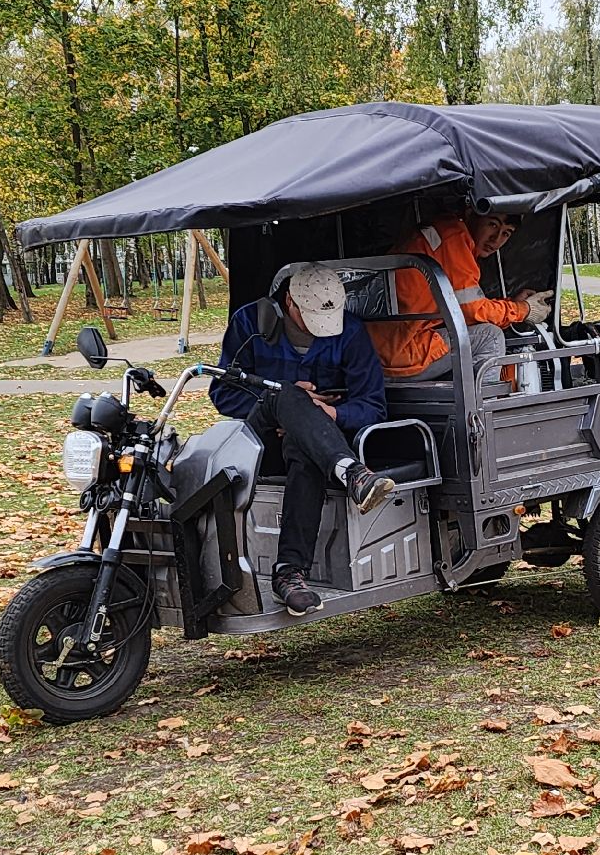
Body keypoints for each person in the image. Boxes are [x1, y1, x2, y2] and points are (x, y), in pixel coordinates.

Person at [209, 263, 393, 616]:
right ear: (290, 302)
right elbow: (223, 394)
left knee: (302, 443)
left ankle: (289, 574)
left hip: (316, 446)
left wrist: (330, 415)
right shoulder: (250, 323)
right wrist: (282, 404)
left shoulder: (351, 332)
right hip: (260, 442)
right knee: (284, 394)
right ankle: (352, 472)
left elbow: (373, 406)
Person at [371, 210, 553, 381]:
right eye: (493, 225)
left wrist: (513, 304)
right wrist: (523, 310)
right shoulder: (454, 239)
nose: (496, 239)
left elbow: (467, 307)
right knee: (490, 336)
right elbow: (471, 311)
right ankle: (484, 410)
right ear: (469, 212)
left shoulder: (443, 231)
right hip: (395, 355)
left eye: (506, 233)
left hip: (376, 348)